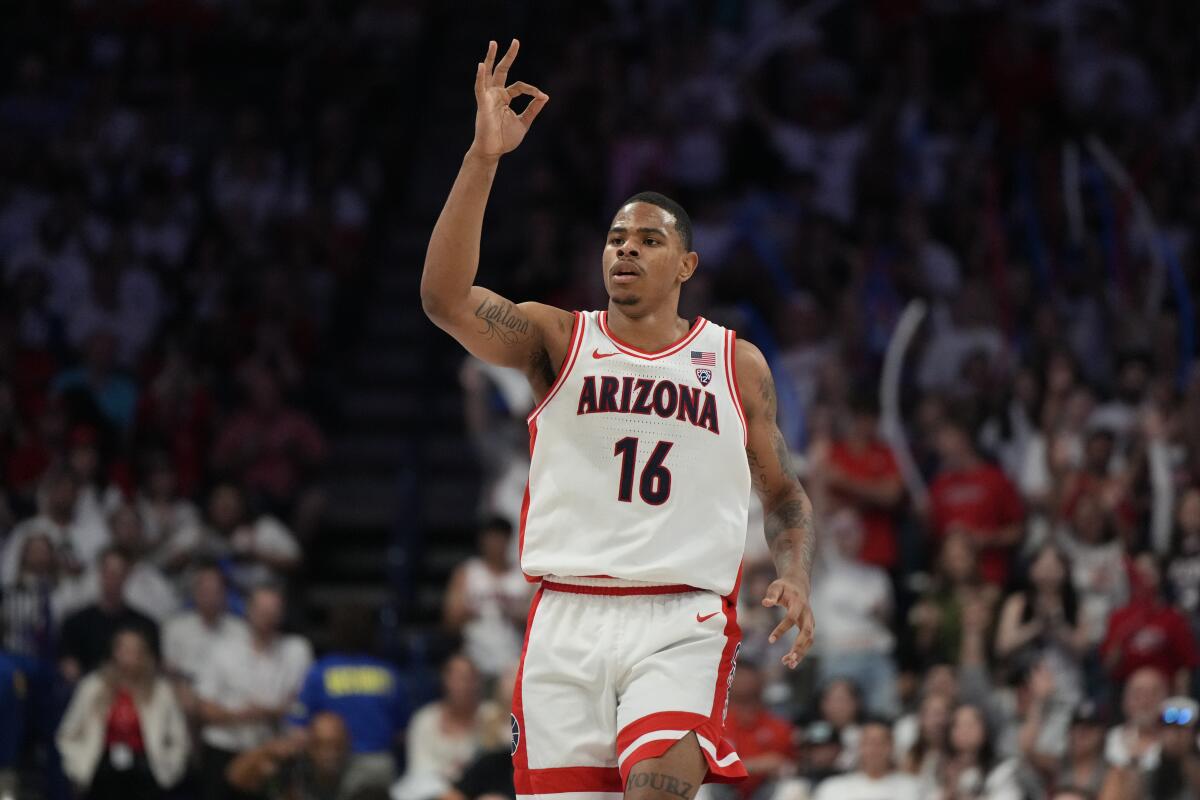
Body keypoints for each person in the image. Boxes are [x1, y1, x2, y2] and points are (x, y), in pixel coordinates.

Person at [419, 39, 817, 799]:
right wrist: (483, 158)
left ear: (686, 267)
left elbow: (784, 496)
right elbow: (444, 300)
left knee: (657, 788)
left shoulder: (736, 365)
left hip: (682, 614)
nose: (625, 250)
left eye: (647, 240)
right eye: (614, 239)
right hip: (565, 615)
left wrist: (795, 573)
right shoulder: (557, 339)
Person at [194, 584, 312, 800]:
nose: (267, 616)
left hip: (274, 750)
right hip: (226, 747)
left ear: (282, 614)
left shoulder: (297, 650)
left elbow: (304, 704)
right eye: (261, 610)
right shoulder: (221, 650)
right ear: (248, 610)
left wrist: (265, 713)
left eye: (273, 611)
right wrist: (245, 715)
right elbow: (204, 708)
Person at [55, 626, 190, 799]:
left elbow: (180, 739)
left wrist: (170, 768)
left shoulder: (161, 691)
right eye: (124, 649)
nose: (128, 656)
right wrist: (76, 765)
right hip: (101, 770)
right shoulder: (93, 686)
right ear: (114, 652)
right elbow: (67, 733)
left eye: (134, 650)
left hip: (147, 772)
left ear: (144, 655)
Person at [288, 605, 407, 793]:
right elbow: (401, 731)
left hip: (336, 764)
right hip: (375, 762)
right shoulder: (387, 673)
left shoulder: (321, 671)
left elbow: (298, 728)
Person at [809, 508, 898, 716]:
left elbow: (887, 617)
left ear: (861, 536)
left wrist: (877, 611)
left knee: (884, 713)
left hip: (875, 652)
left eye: (850, 532)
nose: (845, 538)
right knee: (837, 716)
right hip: (839, 655)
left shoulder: (877, 575)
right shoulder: (823, 571)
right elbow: (811, 532)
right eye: (839, 533)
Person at [926, 416, 1024, 587]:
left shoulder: (996, 479)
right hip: (951, 582)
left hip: (990, 577)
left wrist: (984, 539)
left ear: (963, 438)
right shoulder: (938, 485)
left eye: (946, 438)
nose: (940, 446)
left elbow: (1018, 531)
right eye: (938, 440)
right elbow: (933, 535)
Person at [393, 653, 501, 800]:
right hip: (433, 793)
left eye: (469, 678)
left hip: (479, 792)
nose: (464, 685)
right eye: (458, 678)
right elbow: (420, 771)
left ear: (478, 682)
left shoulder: (491, 716)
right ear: (445, 680)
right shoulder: (424, 719)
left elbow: (501, 764)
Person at [441, 516, 531, 678]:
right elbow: (449, 621)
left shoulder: (522, 576)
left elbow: (536, 621)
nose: (496, 543)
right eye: (491, 537)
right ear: (483, 540)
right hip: (474, 660)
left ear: (509, 539)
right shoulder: (468, 572)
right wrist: (472, 610)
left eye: (501, 537)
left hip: (514, 660)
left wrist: (513, 613)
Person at [1099, 553, 1199, 693]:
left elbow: (1185, 667)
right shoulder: (1119, 617)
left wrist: (1179, 700)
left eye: (1149, 571)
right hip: (1128, 693)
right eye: (1139, 572)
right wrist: (1121, 638)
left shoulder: (1173, 618)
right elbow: (1108, 667)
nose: (1144, 576)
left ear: (1159, 575)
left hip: (1164, 692)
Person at [58, 547, 160, 681]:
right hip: (89, 693)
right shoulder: (74, 623)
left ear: (127, 576)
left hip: (135, 693)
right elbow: (69, 669)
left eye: (118, 573)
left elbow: (152, 668)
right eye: (109, 572)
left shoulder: (145, 626)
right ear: (100, 574)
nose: (112, 579)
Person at [161, 563, 247, 714]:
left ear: (224, 595)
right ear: (195, 593)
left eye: (216, 592)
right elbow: (170, 670)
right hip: (186, 692)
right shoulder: (175, 627)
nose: (210, 598)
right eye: (205, 591)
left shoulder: (241, 630)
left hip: (227, 694)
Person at [227, 711, 354, 800]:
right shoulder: (292, 770)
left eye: (337, 745)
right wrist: (268, 750)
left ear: (347, 744)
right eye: (320, 745)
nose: (330, 753)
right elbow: (236, 778)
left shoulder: (359, 774)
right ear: (309, 746)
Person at [720, 662, 796, 799]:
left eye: (748, 675)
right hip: (719, 790)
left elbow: (786, 765)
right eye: (739, 675)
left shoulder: (778, 726)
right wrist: (752, 765)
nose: (744, 681)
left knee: (793, 789)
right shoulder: (712, 724)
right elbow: (704, 766)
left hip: (766, 791)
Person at [812, 718, 919, 800]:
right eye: (868, 743)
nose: (874, 749)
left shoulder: (911, 787)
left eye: (880, 743)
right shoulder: (833, 788)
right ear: (859, 747)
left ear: (891, 747)